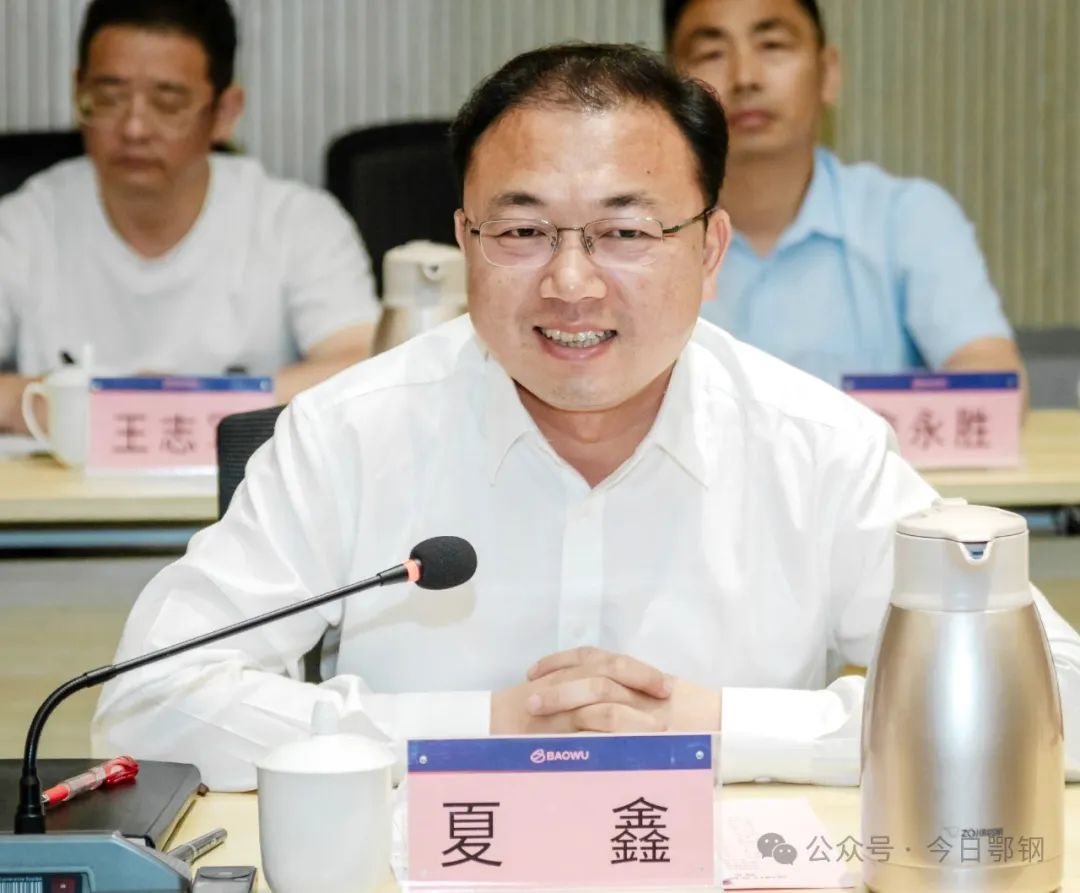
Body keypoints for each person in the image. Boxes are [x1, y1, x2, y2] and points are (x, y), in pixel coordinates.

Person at [91, 43, 1080, 792]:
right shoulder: (347, 433)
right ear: (465, 240)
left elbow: (1053, 699)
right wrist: (478, 729)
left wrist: (713, 726)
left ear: (709, 249)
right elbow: (146, 702)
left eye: (624, 231)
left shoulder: (819, 447)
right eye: (522, 230)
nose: (570, 282)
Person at [0, 0, 379, 434]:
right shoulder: (23, 223)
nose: (134, 129)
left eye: (168, 103)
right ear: (78, 92)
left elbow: (362, 369)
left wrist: (170, 407)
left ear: (225, 112)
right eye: (108, 98)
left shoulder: (296, 222)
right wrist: (37, 404)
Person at [665, 0, 1024, 388]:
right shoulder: (642, 233)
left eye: (772, 45)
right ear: (672, 93)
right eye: (711, 53)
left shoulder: (907, 217)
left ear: (828, 73)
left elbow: (990, 382)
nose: (745, 78)